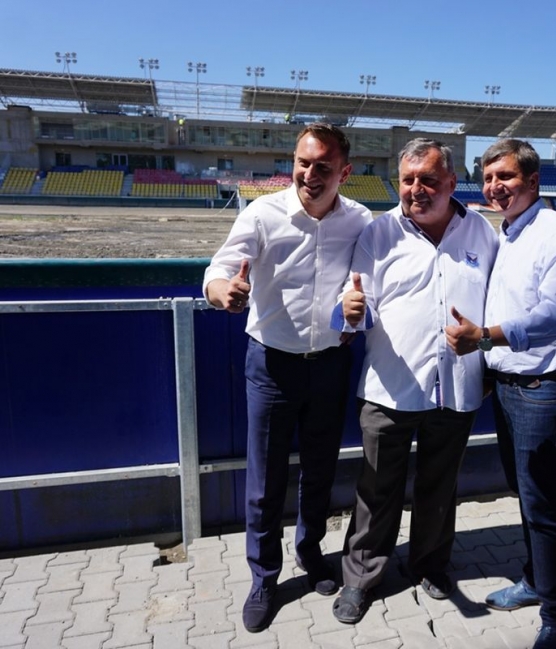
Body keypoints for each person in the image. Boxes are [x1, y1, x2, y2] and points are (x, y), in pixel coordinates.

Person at [202, 123, 372, 633]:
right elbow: (219, 269)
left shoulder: (361, 220)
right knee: (265, 481)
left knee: (320, 470)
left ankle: (310, 551)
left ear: (345, 172)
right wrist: (222, 293)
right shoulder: (262, 214)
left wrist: (356, 310)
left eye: (323, 166)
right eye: (303, 162)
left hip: (330, 364)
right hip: (272, 364)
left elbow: (367, 284)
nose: (309, 174)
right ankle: (264, 576)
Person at [330, 138, 499, 624]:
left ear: (452, 182)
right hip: (389, 387)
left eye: (428, 179)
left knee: (440, 487)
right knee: (376, 490)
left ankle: (430, 565)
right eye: (408, 180)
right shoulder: (378, 233)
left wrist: (489, 363)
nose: (417, 189)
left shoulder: (482, 233)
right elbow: (357, 304)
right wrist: (351, 311)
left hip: (457, 385)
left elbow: (497, 303)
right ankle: (361, 577)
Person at [445, 139, 556, 649]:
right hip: (511, 384)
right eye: (488, 178)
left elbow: (555, 317)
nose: (494, 187)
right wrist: (491, 365)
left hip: (543, 387)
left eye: (504, 177)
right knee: (528, 495)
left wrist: (484, 338)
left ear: (532, 180)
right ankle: (535, 581)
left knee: (541, 502)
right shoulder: (507, 232)